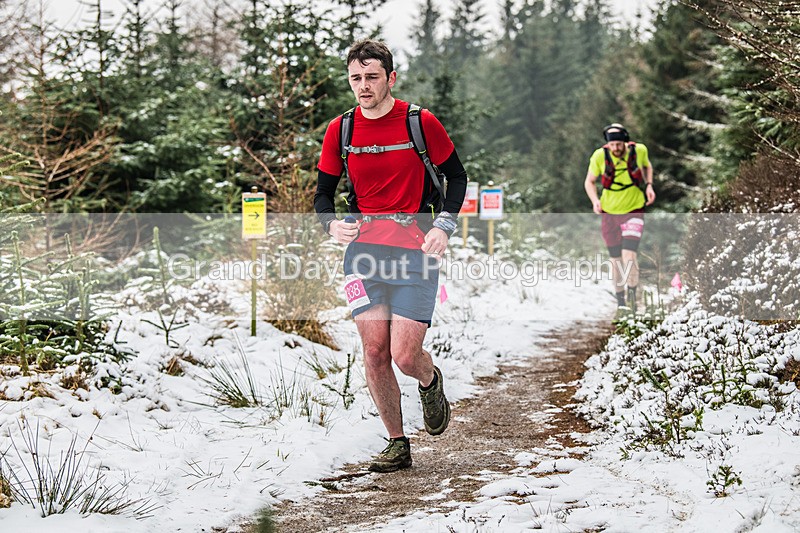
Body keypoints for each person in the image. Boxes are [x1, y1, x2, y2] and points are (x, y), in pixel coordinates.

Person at [314, 39, 468, 473]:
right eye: (355, 79)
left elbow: (457, 178)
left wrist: (444, 225)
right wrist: (330, 223)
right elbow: (322, 195)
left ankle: (429, 378)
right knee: (375, 352)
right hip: (363, 254)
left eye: (371, 78)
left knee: (403, 355)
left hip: (415, 251)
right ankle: (397, 443)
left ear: (391, 78)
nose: (363, 87)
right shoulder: (340, 130)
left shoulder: (421, 122)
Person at [584, 123, 655, 314]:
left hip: (634, 208)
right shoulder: (600, 156)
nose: (615, 148)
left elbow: (647, 166)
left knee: (629, 254)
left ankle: (632, 298)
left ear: (625, 142)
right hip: (609, 211)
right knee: (615, 259)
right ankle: (621, 301)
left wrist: (649, 185)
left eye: (619, 144)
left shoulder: (639, 151)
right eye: (612, 145)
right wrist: (595, 201)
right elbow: (589, 181)